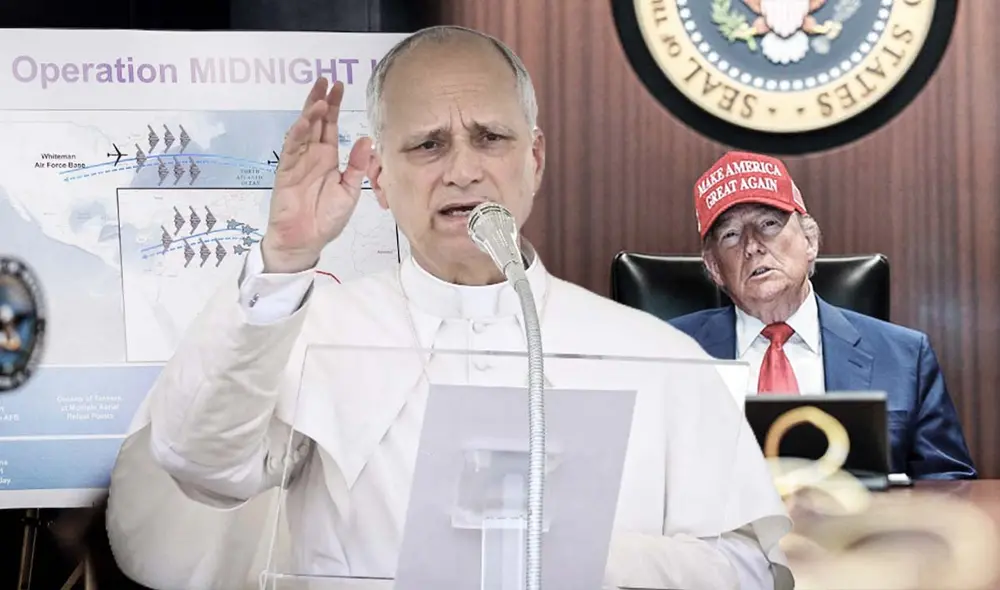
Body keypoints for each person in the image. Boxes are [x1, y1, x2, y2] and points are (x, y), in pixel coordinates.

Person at [105, 27, 793, 590]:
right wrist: (282, 262)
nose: (463, 169)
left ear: (536, 159)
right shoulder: (311, 333)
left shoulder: (654, 353)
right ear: (377, 176)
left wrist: (576, 559)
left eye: (490, 138)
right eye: (428, 144)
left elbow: (745, 569)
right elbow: (200, 463)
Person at [670, 150, 977, 481]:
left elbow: (950, 487)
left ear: (810, 242)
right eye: (731, 234)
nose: (752, 246)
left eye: (769, 224)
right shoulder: (667, 353)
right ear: (715, 268)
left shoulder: (905, 356)